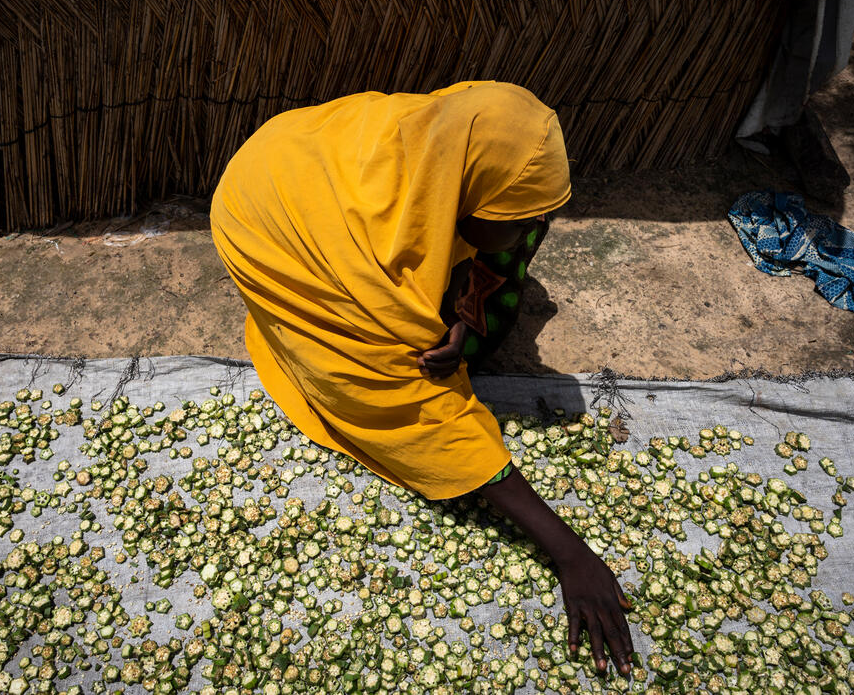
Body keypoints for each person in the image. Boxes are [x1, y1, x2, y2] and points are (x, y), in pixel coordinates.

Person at [210, 81, 634, 676]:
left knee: (484, 286)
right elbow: (423, 418)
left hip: (315, 162)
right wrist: (569, 552)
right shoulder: (363, 278)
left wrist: (462, 313)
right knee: (387, 371)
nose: (536, 229)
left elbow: (488, 234)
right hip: (260, 205)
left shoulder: (442, 139)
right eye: (519, 219)